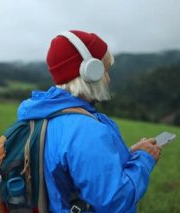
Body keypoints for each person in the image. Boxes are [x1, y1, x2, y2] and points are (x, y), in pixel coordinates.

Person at [16, 30, 161, 212]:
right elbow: (114, 201)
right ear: (89, 73)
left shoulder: (45, 114)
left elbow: (79, 169)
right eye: (105, 71)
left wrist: (130, 153)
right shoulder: (86, 130)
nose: (109, 79)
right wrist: (144, 160)